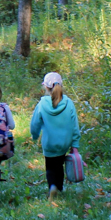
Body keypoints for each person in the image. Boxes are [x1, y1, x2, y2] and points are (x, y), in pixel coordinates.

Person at [29, 72, 80, 200]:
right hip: (64, 143)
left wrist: (34, 135)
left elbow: (35, 123)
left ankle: (52, 186)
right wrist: (75, 145)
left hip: (49, 143)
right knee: (60, 165)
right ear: (61, 86)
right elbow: (75, 126)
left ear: (45, 87)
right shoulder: (69, 103)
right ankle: (60, 187)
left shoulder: (42, 104)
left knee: (50, 167)